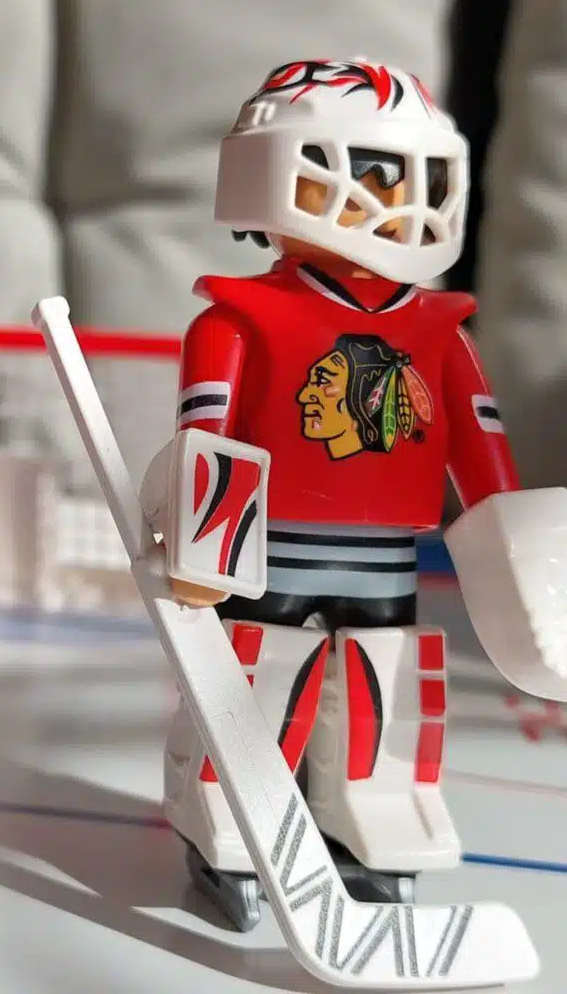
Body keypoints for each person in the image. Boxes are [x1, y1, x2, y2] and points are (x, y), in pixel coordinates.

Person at [146, 58, 520, 931]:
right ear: (279, 173)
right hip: (269, 549)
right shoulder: (236, 318)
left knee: (385, 678)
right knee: (259, 673)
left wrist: (512, 547)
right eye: (371, 174)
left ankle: (374, 802)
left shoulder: (437, 327)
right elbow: (209, 435)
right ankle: (235, 801)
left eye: (407, 176)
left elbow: (481, 441)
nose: (393, 199)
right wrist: (203, 548)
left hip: (385, 557)